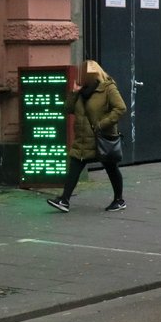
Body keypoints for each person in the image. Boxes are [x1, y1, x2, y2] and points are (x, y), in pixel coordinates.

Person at [48, 59, 128, 212]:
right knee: (75, 165)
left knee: (111, 167)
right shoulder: (81, 91)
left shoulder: (108, 88)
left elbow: (120, 108)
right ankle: (64, 200)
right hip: (83, 138)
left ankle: (119, 200)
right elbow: (67, 109)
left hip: (102, 138)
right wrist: (73, 92)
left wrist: (102, 124)